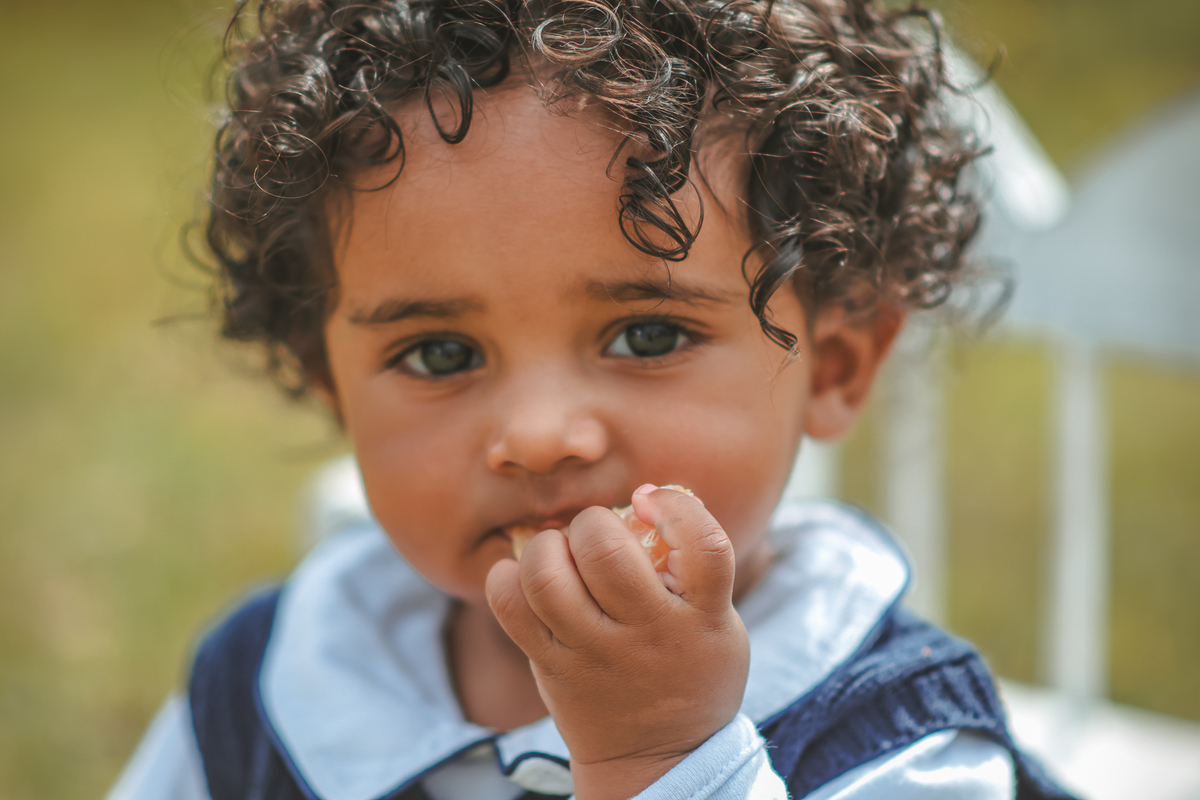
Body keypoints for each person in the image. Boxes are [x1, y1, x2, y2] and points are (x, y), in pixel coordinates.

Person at [108, 0, 1076, 798]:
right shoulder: (268, 685)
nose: (538, 436)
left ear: (835, 367)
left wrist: (665, 761)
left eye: (647, 336)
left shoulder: (899, 745)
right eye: (439, 353)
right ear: (333, 388)